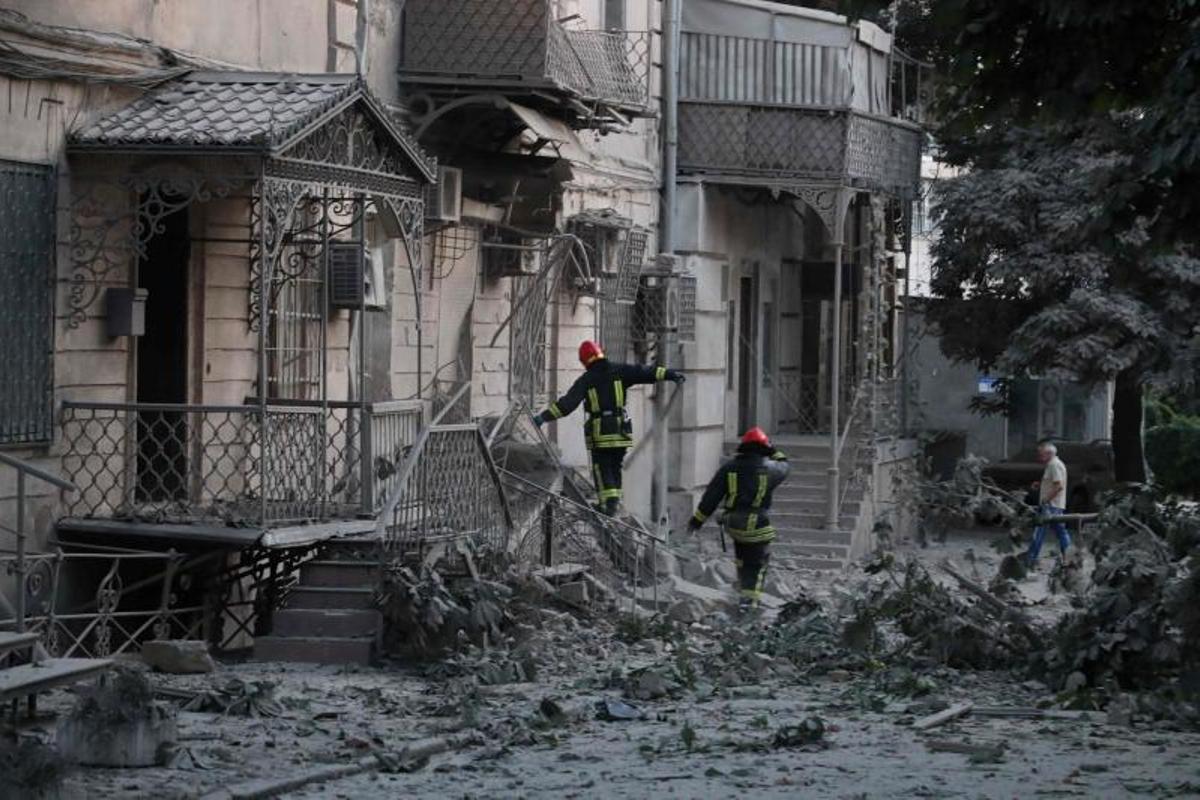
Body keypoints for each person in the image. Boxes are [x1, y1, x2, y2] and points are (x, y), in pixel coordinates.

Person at [534, 340, 685, 515]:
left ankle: (607, 506)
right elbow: (645, 372)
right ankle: (614, 504)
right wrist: (671, 374)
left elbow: (567, 405)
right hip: (621, 432)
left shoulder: (587, 379)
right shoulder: (620, 370)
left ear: (585, 360)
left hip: (601, 433)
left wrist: (543, 417)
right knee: (615, 467)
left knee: (601, 467)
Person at [687, 427, 790, 610]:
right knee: (758, 564)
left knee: (743, 557)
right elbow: (784, 463)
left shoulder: (729, 468)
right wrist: (773, 449)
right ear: (763, 448)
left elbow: (711, 498)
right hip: (756, 526)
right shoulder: (771, 469)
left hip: (733, 525)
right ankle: (750, 605)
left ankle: (742, 592)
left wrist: (696, 522)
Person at [1026, 440, 1071, 568]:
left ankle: (1031, 558)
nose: (1039, 458)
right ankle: (1069, 558)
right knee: (1061, 532)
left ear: (1049, 453)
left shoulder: (1054, 465)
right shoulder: (1054, 464)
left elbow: (1058, 486)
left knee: (1039, 532)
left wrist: (1046, 499)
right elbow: (1053, 482)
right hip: (1055, 505)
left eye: (1041, 454)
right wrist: (1040, 485)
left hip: (1051, 505)